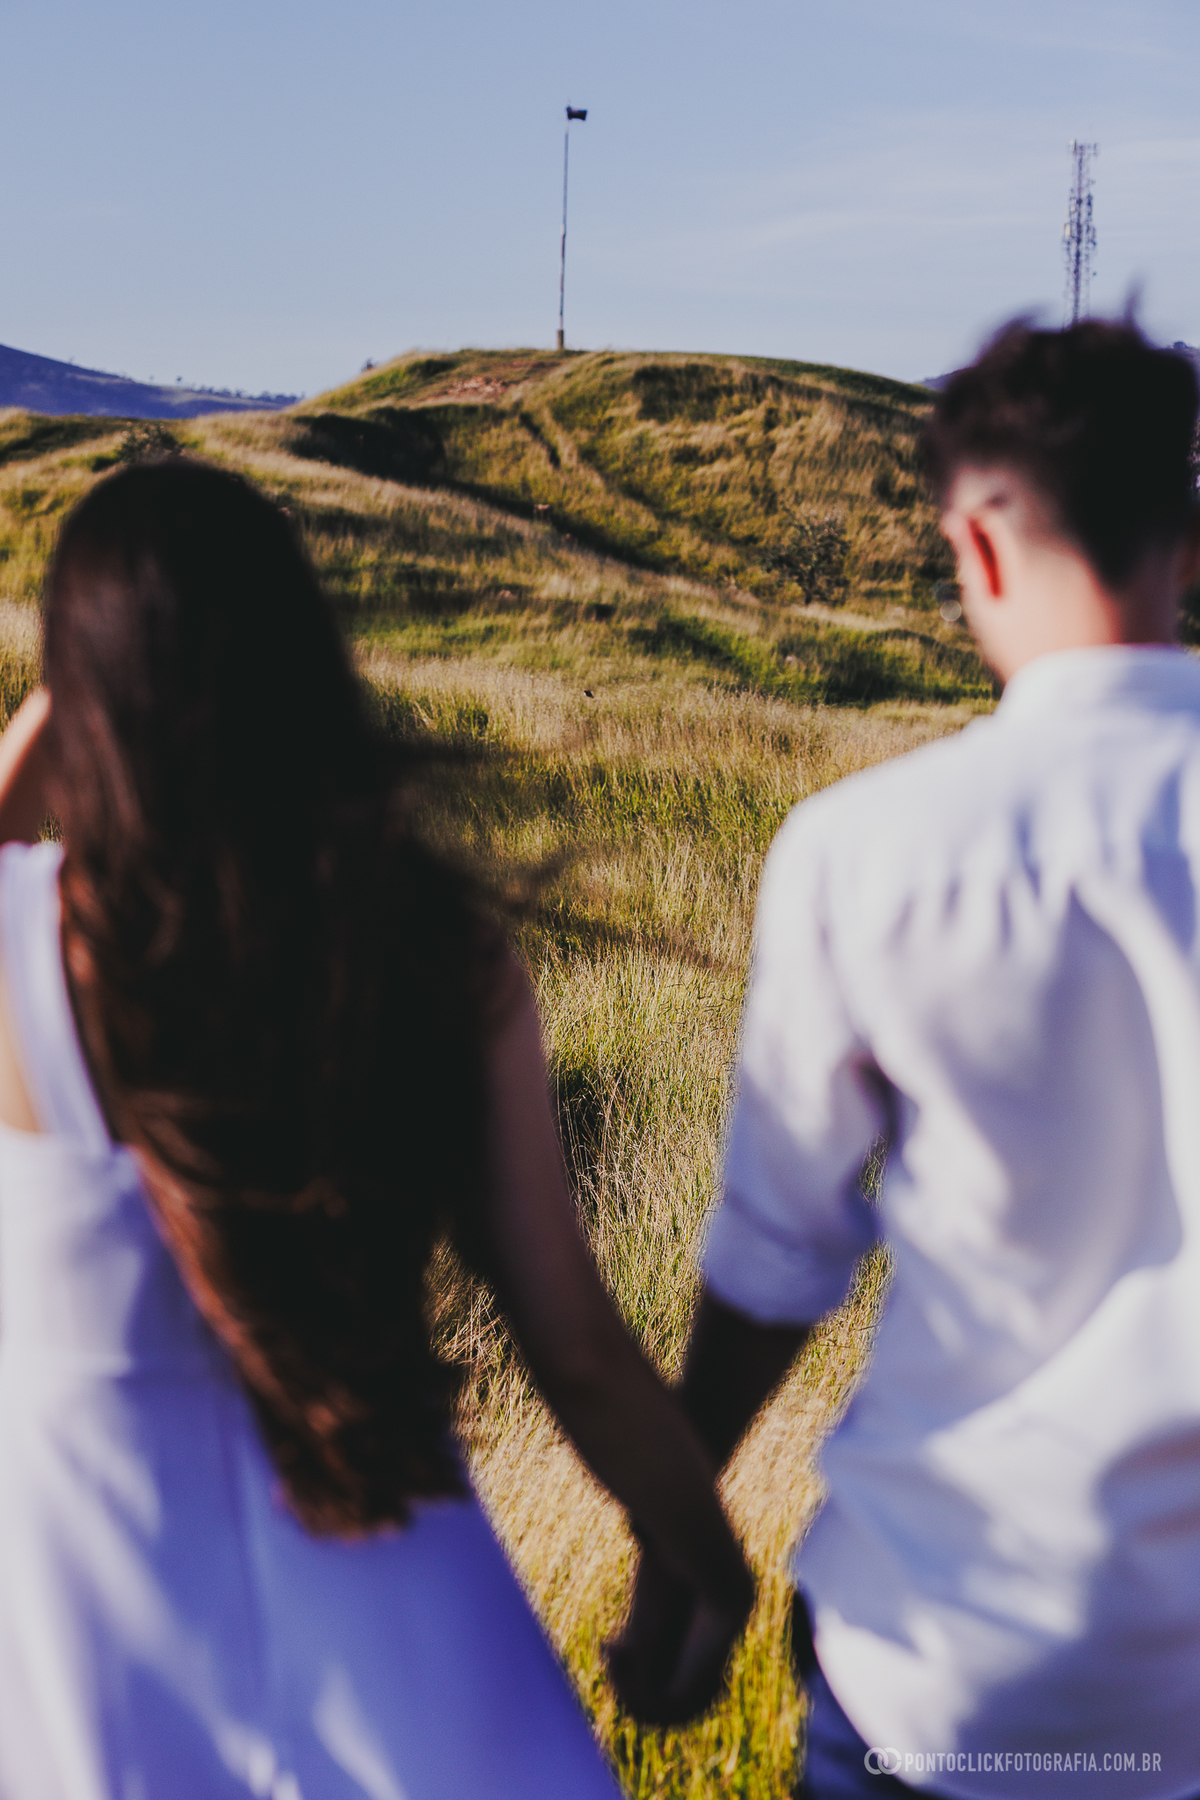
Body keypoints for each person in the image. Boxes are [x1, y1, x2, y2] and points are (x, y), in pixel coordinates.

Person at [0, 459, 752, 1798]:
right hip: (431, 1687)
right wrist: (703, 1558)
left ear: (73, 698)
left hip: (96, 1714)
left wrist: (41, 729)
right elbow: (572, 1343)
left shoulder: (18, 953)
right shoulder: (424, 944)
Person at [619, 319, 1200, 1798]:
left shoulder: (866, 853)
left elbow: (776, 1258)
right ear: (1182, 537)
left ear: (976, 547)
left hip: (946, 1659)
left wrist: (684, 1546)